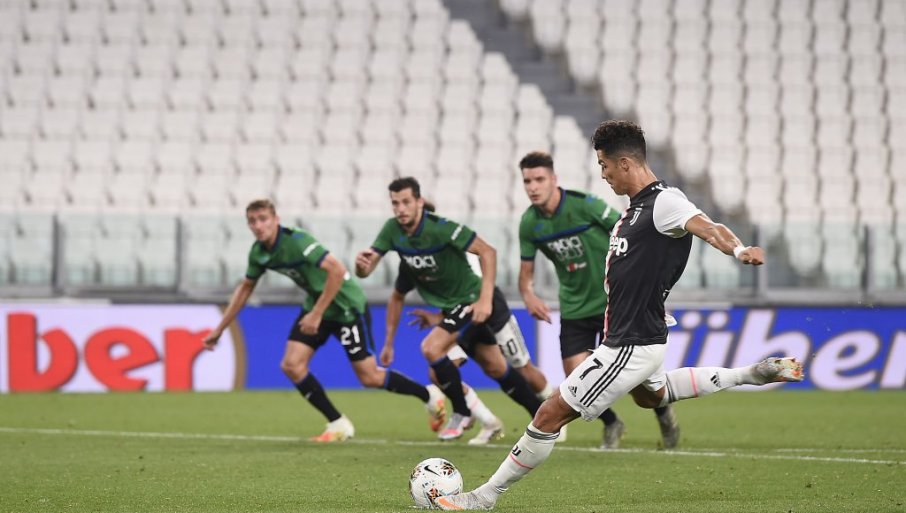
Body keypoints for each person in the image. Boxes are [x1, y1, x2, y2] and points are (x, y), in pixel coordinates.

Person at [435, 120, 804, 510]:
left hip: (631, 343)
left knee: (549, 414)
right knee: (652, 396)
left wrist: (738, 250)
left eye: (604, 165)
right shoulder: (636, 210)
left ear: (625, 163)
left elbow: (709, 227)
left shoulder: (665, 202)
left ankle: (485, 496)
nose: (603, 174)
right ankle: (751, 374)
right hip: (641, 335)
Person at [202, 199, 446, 443]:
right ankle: (338, 423)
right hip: (317, 305)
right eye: (252, 221)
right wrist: (220, 329)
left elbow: (337, 271)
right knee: (292, 365)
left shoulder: (297, 241)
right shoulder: (259, 253)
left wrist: (316, 314)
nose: (258, 225)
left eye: (263, 219)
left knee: (370, 377)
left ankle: (428, 395)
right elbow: (245, 288)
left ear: (276, 220)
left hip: (346, 306)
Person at [355, 177, 548, 441]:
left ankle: (462, 412)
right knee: (494, 368)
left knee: (433, 349)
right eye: (395, 203)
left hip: (475, 300)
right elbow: (369, 273)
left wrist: (484, 300)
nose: (400, 209)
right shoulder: (394, 235)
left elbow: (488, 252)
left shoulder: (441, 228)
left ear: (419, 202)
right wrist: (360, 267)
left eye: (406, 202)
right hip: (455, 311)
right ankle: (541, 417)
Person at [517, 150, 680, 449]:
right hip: (574, 306)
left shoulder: (585, 205)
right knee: (575, 376)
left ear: (553, 179)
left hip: (614, 302)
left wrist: (645, 287)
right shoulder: (529, 223)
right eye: (527, 181)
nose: (533, 187)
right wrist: (528, 295)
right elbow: (525, 274)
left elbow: (632, 235)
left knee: (633, 377)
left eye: (539, 179)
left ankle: (663, 412)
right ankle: (612, 423)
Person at [382, 200, 506, 445]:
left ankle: (471, 413)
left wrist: (481, 303)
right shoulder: (414, 260)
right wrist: (390, 341)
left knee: (509, 368)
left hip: (481, 309)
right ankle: (483, 418)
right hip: (459, 316)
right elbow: (398, 295)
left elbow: (469, 286)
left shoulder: (455, 248)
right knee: (440, 372)